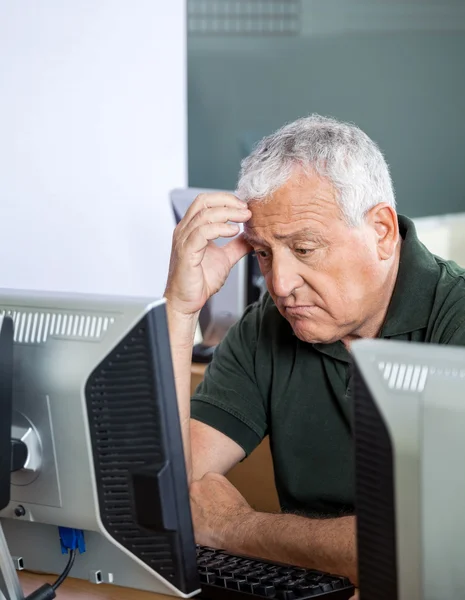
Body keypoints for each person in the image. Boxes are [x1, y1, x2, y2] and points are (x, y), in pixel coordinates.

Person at [164, 115, 465, 585]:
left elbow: (435, 551)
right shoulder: (267, 323)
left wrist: (237, 528)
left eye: (303, 249)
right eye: (264, 252)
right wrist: (181, 312)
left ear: (381, 232)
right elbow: (171, 490)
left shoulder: (456, 319)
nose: (280, 285)